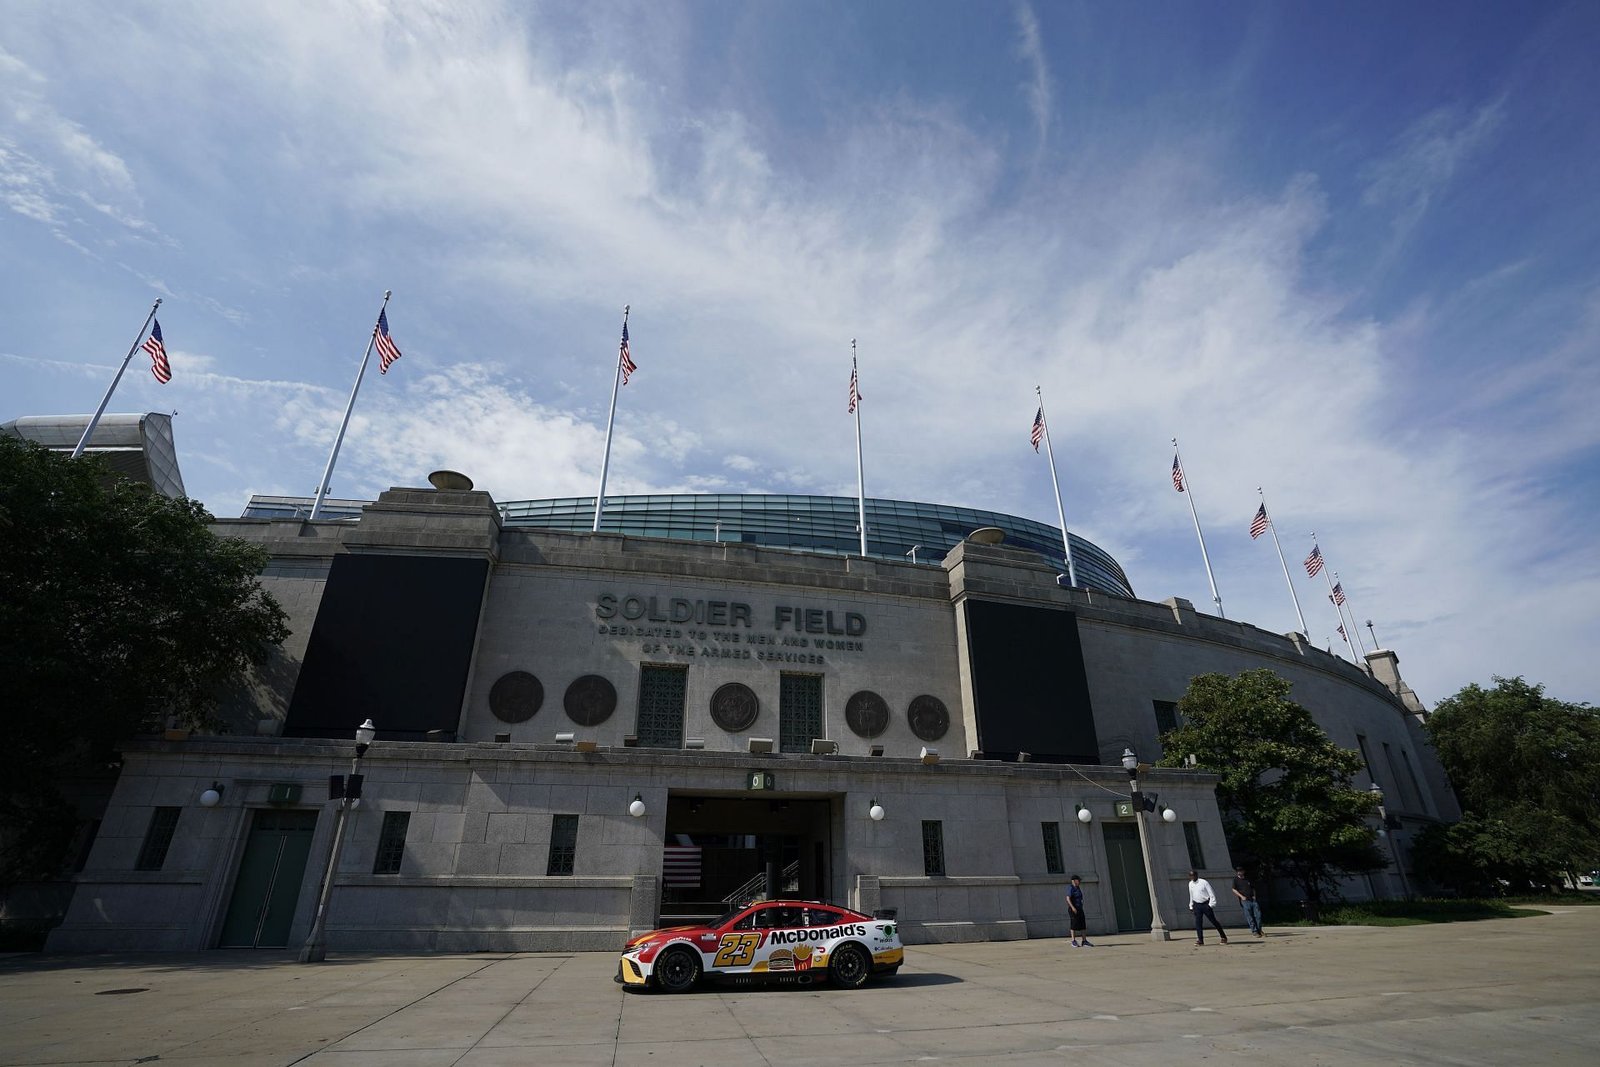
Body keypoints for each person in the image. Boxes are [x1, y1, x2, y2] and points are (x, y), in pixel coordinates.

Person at [1188, 869, 1228, 945]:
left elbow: (1211, 893)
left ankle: (1223, 937)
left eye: (1193, 875)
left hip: (1205, 903)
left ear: (1196, 875)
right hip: (1197, 904)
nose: (1192, 877)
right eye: (1190, 876)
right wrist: (1191, 905)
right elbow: (1191, 895)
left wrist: (1211, 904)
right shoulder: (1190, 884)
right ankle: (1200, 940)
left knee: (1213, 921)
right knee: (1198, 923)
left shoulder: (1204, 882)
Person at [1232, 866, 1264, 938]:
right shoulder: (1235, 880)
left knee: (1258, 915)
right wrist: (1241, 896)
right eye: (1238, 871)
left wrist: (1254, 896)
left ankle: (1259, 930)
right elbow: (1234, 889)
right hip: (1245, 900)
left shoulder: (1247, 879)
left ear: (1243, 871)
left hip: (1252, 899)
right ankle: (1254, 931)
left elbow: (1253, 888)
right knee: (1249, 916)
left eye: (1241, 870)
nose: (1240, 872)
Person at [1067, 874, 1093, 947]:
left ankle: (1084, 941)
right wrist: (1073, 907)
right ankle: (1073, 941)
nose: (1079, 882)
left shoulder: (1078, 888)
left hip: (1080, 908)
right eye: (1078, 880)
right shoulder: (1071, 888)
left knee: (1082, 924)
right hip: (1073, 909)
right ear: (1074, 881)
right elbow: (1068, 898)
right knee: (1074, 924)